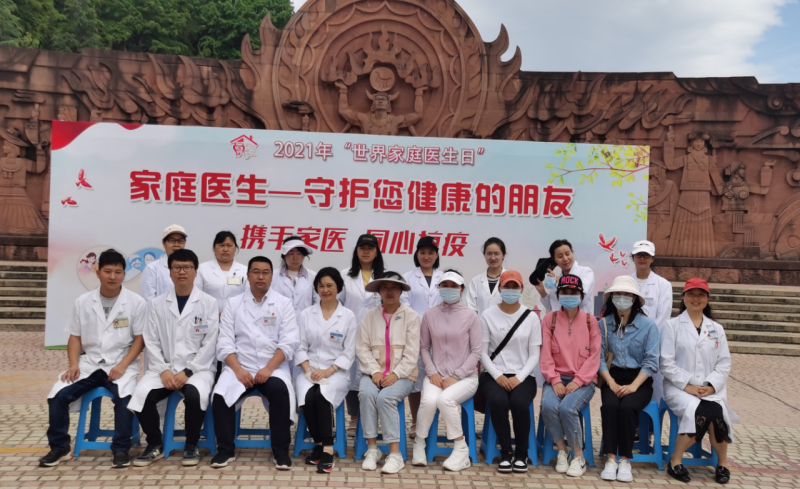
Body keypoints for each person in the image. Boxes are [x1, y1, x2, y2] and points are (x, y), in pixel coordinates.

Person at [39, 249, 147, 469]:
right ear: (98, 272)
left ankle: (121, 449)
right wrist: (73, 365)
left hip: (120, 363)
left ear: (124, 274)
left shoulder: (136, 302)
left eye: (118, 272)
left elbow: (140, 339)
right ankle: (59, 447)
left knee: (125, 399)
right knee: (58, 395)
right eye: (107, 271)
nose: (113, 276)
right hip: (89, 364)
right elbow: (75, 336)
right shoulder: (83, 301)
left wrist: (123, 365)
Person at [129, 249, 219, 467]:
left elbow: (210, 343)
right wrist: (164, 370)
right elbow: (151, 341)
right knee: (141, 395)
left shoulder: (208, 303)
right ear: (169, 272)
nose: (182, 272)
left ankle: (191, 444)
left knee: (195, 396)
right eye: (177, 267)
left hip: (198, 369)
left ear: (195, 271)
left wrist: (189, 371)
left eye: (187, 267)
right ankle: (154, 444)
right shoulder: (156, 304)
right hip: (164, 368)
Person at [211, 256, 299, 470]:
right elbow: (224, 342)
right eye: (256, 272)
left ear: (271, 276)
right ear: (248, 275)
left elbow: (289, 341)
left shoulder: (283, 303)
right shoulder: (233, 304)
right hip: (240, 366)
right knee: (221, 396)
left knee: (279, 392)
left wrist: (269, 368)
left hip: (273, 367)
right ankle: (225, 451)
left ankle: (280, 452)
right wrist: (238, 370)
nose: (261, 276)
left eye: (265, 272)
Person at [661, 279, 736, 485]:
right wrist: (689, 386)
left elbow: (724, 363)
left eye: (701, 294)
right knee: (701, 412)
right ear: (684, 297)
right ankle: (675, 461)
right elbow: (666, 363)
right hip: (679, 388)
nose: (696, 298)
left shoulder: (716, 329)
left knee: (717, 413)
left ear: (707, 298)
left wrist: (711, 386)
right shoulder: (671, 326)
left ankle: (722, 464)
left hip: (710, 389)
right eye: (691, 294)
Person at [411, 269, 481, 471]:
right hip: (436, 375)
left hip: (466, 377)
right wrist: (432, 371)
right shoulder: (430, 315)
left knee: (444, 400)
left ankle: (461, 449)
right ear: (439, 288)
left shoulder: (471, 316)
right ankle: (419, 443)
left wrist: (457, 375)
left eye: (454, 286)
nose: (449, 289)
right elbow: (424, 347)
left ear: (461, 290)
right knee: (428, 401)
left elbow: (477, 351)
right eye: (445, 286)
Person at [597, 276, 661, 483]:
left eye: (626, 294)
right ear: (611, 297)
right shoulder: (603, 324)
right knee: (609, 407)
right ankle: (611, 458)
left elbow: (651, 361)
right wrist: (610, 382)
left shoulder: (648, 326)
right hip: (612, 377)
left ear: (634, 298)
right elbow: (599, 358)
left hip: (639, 380)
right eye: (618, 294)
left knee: (627, 408)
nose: (622, 298)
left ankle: (625, 459)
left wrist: (633, 386)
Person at [477, 270, 542, 473]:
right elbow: (482, 352)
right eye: (507, 286)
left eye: (515, 287)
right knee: (498, 401)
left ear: (522, 290)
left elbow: (534, 355)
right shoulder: (487, 315)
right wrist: (497, 376)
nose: (511, 290)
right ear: (499, 289)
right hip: (493, 374)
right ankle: (505, 453)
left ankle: (521, 454)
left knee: (519, 403)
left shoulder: (531, 317)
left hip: (524, 376)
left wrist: (519, 378)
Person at [295, 267, 357, 474]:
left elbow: (349, 352)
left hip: (336, 371)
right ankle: (321, 444)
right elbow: (300, 346)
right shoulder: (306, 314)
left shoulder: (347, 316)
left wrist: (328, 371)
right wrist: (308, 370)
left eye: (330, 285)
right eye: (321, 286)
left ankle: (327, 449)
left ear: (338, 287)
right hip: (309, 369)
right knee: (307, 398)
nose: (325, 289)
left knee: (320, 396)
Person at [357, 272, 420, 474]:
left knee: (385, 398)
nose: (389, 291)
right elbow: (362, 348)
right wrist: (375, 371)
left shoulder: (411, 316)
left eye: (394, 287)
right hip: (373, 373)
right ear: (379, 292)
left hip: (403, 375)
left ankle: (395, 454)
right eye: (384, 287)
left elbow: (412, 353)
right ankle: (372, 449)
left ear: (401, 291)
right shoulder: (369, 316)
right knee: (366, 394)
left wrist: (396, 374)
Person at [540, 274, 600, 478]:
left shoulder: (591, 321)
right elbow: (545, 354)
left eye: (573, 292)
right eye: (564, 292)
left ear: (581, 296)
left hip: (583, 381)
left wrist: (578, 380)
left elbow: (595, 356)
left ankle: (579, 457)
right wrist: (554, 380)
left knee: (567, 408)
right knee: (548, 405)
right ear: (558, 295)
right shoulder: (550, 319)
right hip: (556, 378)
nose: (569, 295)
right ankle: (562, 451)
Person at [340, 234, 385, 434]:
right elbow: (338, 304)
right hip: (351, 332)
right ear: (356, 251)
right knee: (352, 376)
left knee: (375, 373)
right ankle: (354, 417)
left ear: (376, 252)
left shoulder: (384, 276)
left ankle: (376, 417)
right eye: (362, 248)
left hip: (378, 335)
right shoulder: (345, 275)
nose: (366, 252)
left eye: (370, 248)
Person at [401, 236, 443, 439]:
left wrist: (435, 324)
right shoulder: (408, 277)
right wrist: (425, 322)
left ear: (437, 255)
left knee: (437, 378)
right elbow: (405, 305)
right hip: (414, 334)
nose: (426, 256)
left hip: (441, 336)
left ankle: (432, 422)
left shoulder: (444, 277)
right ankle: (416, 422)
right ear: (416, 254)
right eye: (422, 252)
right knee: (415, 380)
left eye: (431, 252)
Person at [629, 239, 673, 401]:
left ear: (652, 259)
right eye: (639, 255)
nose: (642, 258)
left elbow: (663, 316)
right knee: (629, 383)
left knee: (655, 385)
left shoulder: (664, 285)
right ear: (633, 257)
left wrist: (646, 338)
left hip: (654, 344)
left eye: (646, 255)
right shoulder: (625, 282)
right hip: (628, 342)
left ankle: (653, 417)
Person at [535, 239, 595, 314]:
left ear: (572, 253)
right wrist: (542, 292)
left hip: (581, 320)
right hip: (559, 321)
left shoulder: (586, 272)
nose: (565, 259)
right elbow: (552, 308)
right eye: (560, 256)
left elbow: (582, 298)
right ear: (554, 260)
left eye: (567, 254)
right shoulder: (556, 280)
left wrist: (560, 282)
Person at [195, 231, 248, 314]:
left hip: (236, 317)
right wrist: (212, 313)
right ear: (214, 248)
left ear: (235, 248)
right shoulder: (201, 269)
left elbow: (248, 296)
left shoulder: (245, 270)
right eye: (221, 245)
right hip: (208, 316)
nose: (225, 249)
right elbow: (196, 294)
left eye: (229, 245)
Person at [140, 224, 188, 302]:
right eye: (172, 240)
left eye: (180, 241)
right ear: (164, 243)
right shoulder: (152, 268)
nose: (176, 245)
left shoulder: (193, 268)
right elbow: (147, 299)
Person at [465, 237, 507, 316]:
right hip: (480, 323)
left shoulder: (510, 280)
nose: (493, 257)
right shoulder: (476, 281)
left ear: (503, 255)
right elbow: (471, 310)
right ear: (484, 255)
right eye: (489, 254)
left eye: (496, 254)